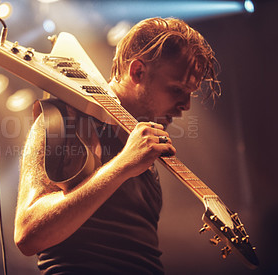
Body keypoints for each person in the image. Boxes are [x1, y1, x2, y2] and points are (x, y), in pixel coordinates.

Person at [14, 17, 220, 274]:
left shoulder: (145, 147)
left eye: (190, 93)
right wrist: (123, 164)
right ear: (137, 72)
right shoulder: (64, 118)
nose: (186, 105)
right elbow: (28, 233)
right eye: (177, 90)